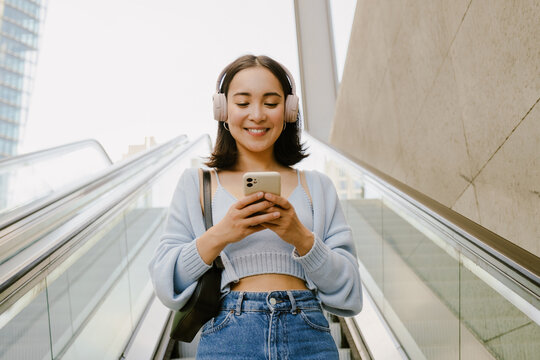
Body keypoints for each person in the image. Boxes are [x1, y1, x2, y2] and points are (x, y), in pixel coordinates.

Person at [149, 54, 362, 359]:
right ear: (222, 110)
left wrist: (301, 237)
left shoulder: (317, 186)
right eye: (243, 102)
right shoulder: (197, 183)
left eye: (271, 103)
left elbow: (350, 291)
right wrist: (222, 233)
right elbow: (166, 281)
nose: (258, 114)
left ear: (289, 111)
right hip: (228, 333)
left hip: (308, 332)